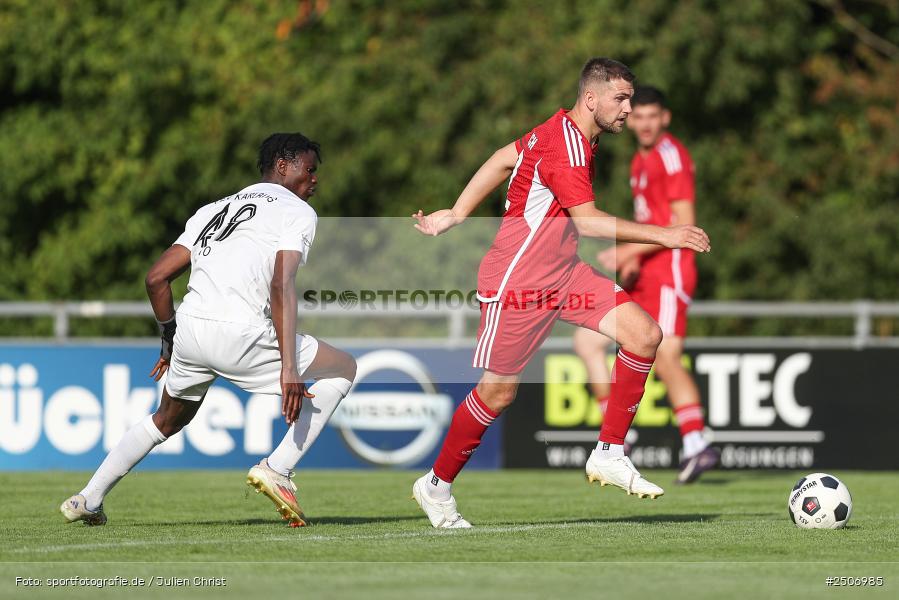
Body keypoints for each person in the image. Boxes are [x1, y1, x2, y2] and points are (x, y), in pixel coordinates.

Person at [410, 59, 711, 529]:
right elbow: (588, 223)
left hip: (565, 275)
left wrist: (458, 212)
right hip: (520, 281)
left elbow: (502, 155)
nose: (628, 110)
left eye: (630, 99)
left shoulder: (564, 132)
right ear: (592, 99)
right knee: (498, 392)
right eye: (621, 99)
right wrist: (665, 235)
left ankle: (609, 452)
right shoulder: (567, 147)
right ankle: (435, 485)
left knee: (645, 335)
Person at [60, 133, 357, 527]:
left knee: (166, 419)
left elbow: (156, 279)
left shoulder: (213, 209)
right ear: (282, 166)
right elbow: (281, 284)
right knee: (343, 368)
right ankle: (278, 469)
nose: (315, 179)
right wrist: (289, 368)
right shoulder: (297, 212)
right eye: (310, 169)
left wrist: (169, 339)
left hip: (193, 332)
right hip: (243, 331)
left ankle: (88, 498)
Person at [573, 86, 720, 484]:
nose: (644, 123)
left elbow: (682, 223)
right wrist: (631, 257)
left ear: (664, 118)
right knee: (587, 343)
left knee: (668, 354)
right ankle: (619, 437)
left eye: (652, 116)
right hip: (646, 269)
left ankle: (696, 444)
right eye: (638, 116)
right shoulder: (641, 161)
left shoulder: (670, 156)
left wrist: (629, 254)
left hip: (670, 268)